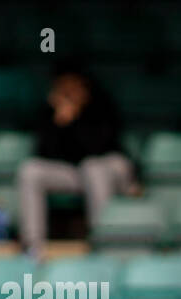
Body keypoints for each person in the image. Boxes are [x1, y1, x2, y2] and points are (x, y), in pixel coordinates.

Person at [16, 63, 134, 259]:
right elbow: (42, 153)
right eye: (63, 87)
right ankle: (33, 247)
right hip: (74, 174)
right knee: (29, 170)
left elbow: (98, 148)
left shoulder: (102, 106)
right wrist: (60, 123)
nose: (68, 91)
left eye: (73, 86)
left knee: (93, 168)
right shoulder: (50, 112)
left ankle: (102, 243)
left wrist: (77, 120)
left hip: (109, 168)